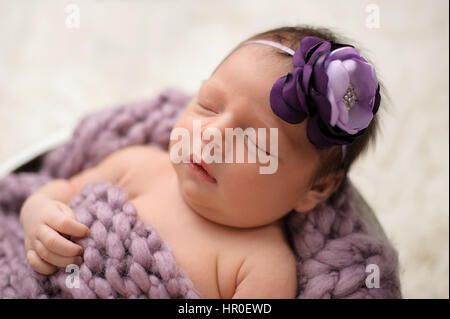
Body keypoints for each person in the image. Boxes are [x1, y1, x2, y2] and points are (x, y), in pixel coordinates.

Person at [19, 25, 383, 298]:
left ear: (316, 188)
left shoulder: (261, 265)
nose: (211, 135)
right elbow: (58, 190)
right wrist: (38, 216)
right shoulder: (141, 165)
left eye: (254, 141)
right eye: (207, 106)